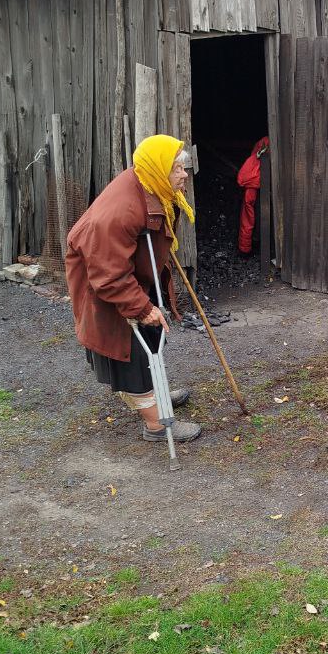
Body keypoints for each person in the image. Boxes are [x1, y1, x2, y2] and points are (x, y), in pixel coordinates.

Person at [65, 134, 202, 444]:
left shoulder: (152, 184)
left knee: (154, 334)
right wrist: (141, 308)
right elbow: (108, 274)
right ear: (159, 169)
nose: (184, 175)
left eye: (183, 167)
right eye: (177, 169)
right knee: (132, 352)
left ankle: (159, 395)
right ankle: (156, 424)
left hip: (130, 274)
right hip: (103, 285)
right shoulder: (122, 211)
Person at [236, 136, 268, 254]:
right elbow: (242, 179)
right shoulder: (264, 143)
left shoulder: (264, 142)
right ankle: (248, 247)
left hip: (259, 189)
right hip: (256, 190)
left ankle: (249, 247)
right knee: (253, 216)